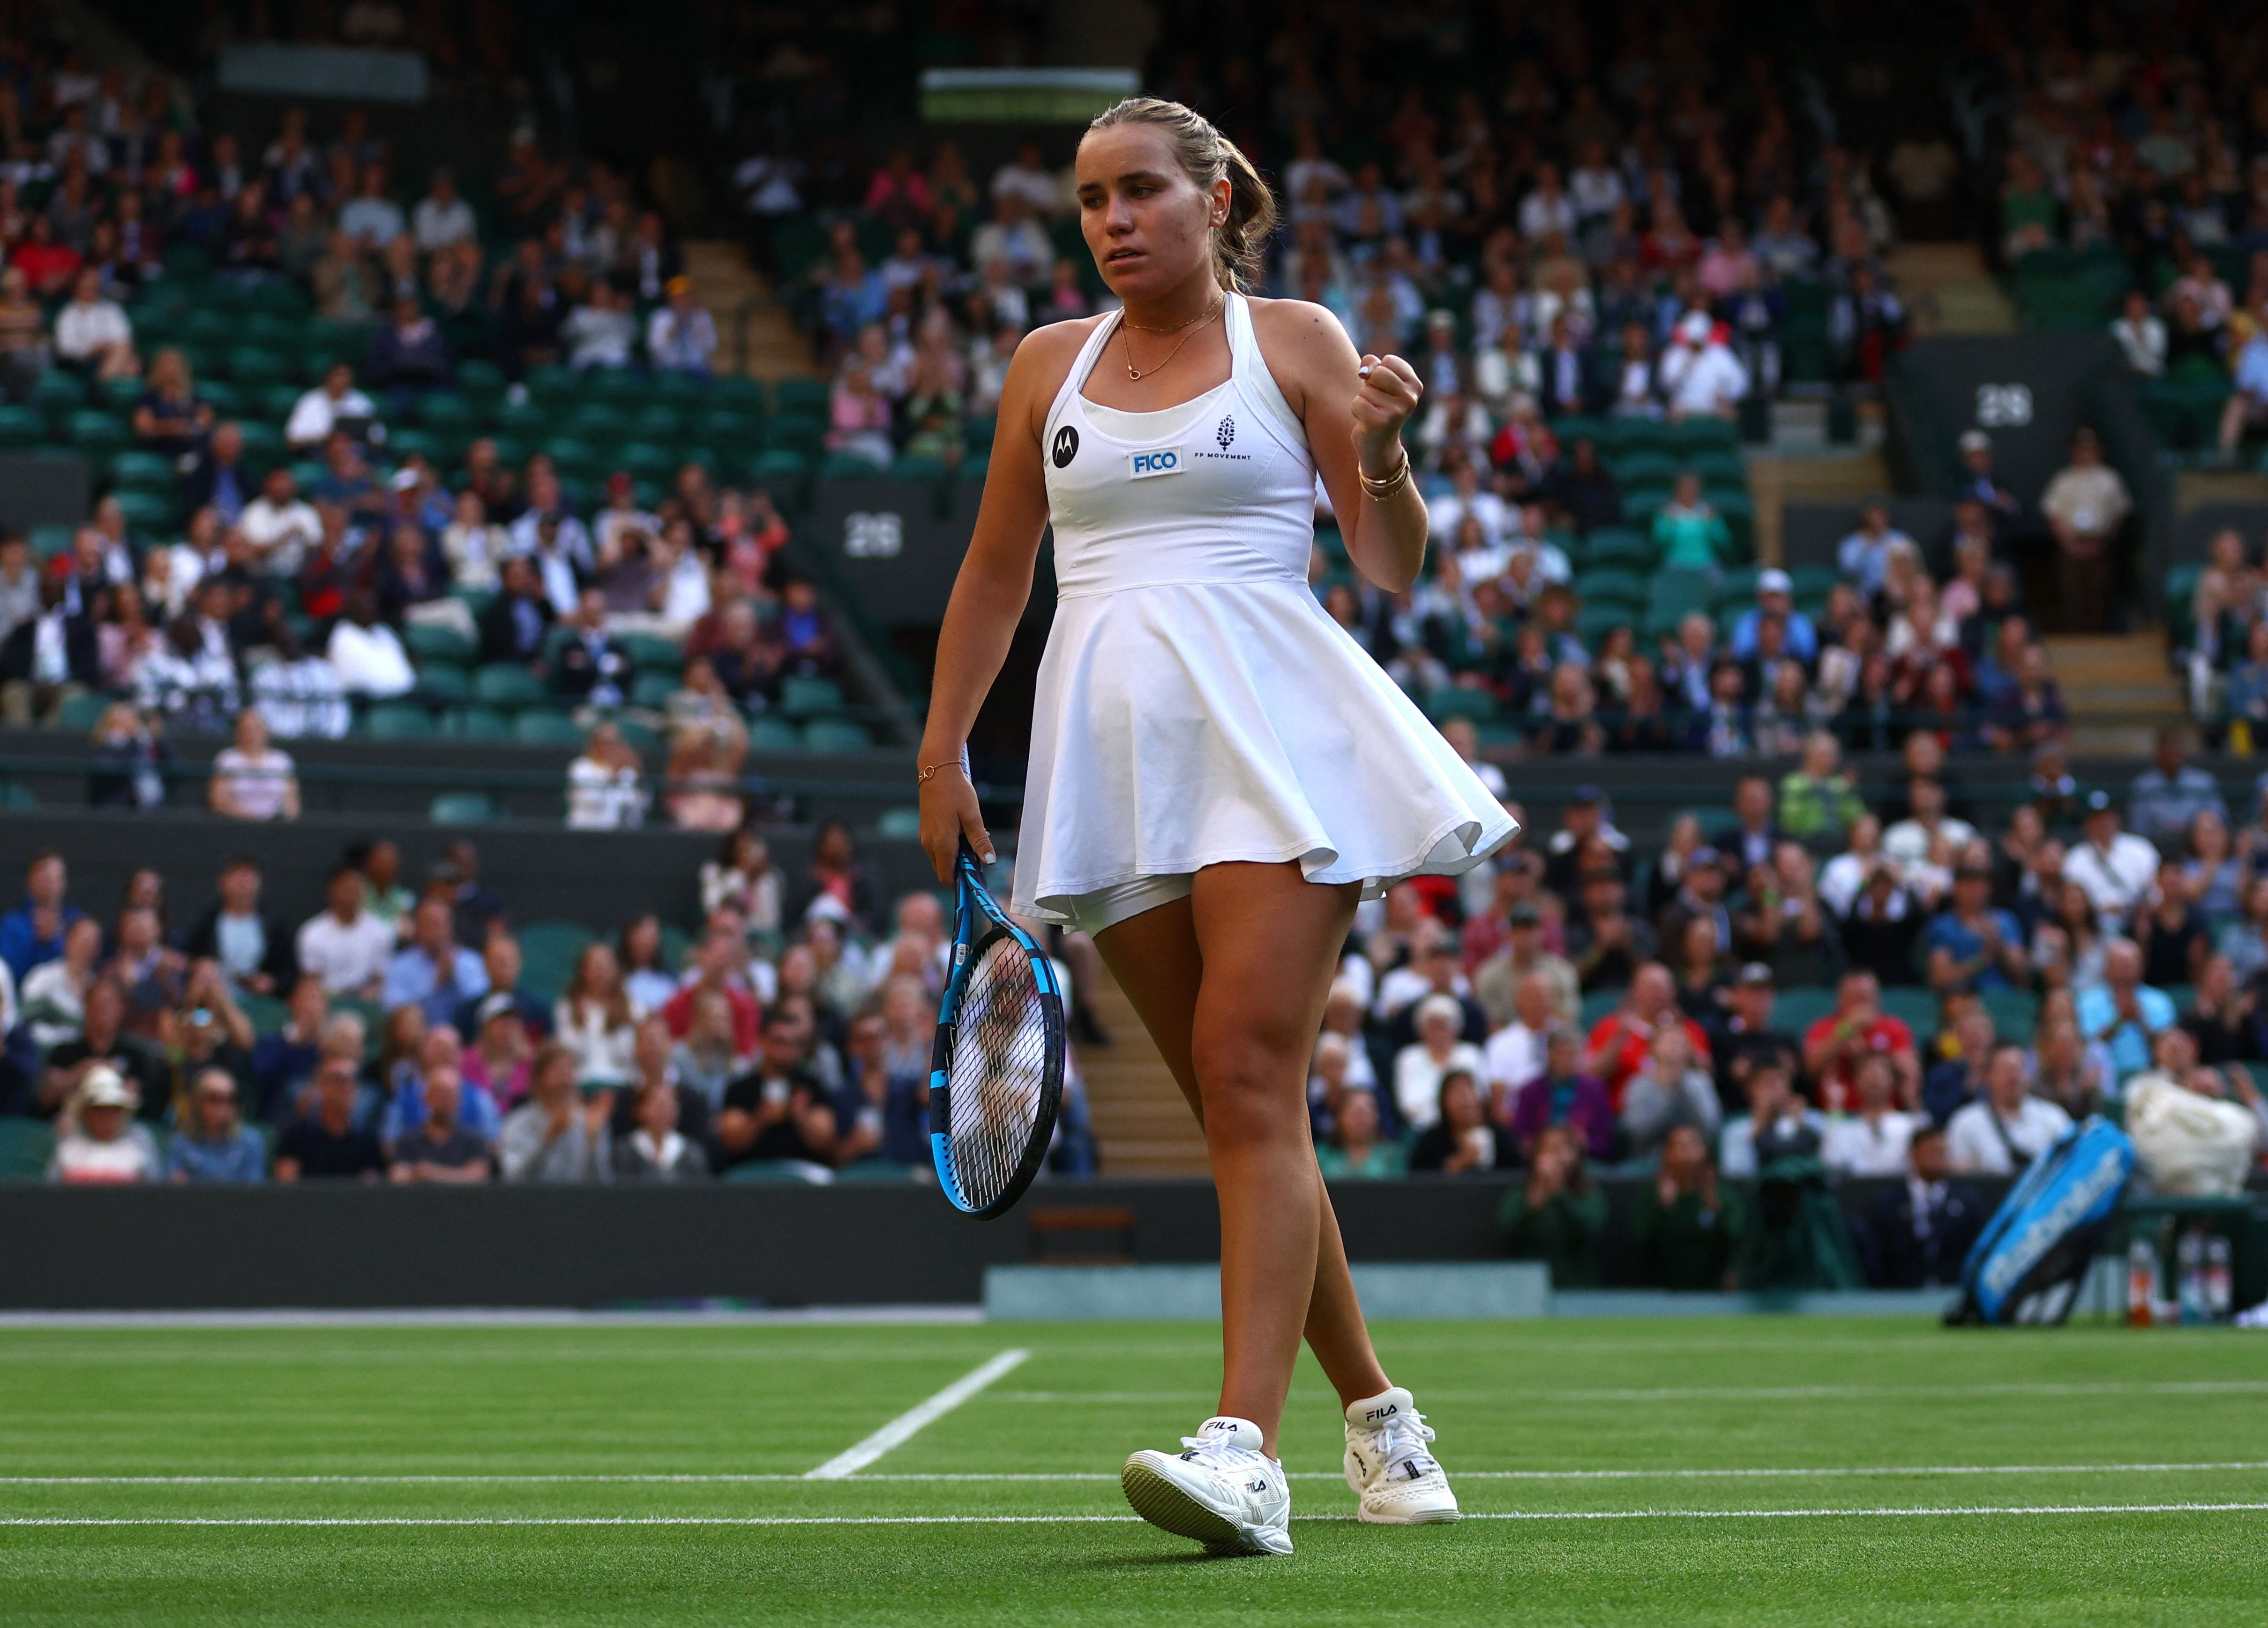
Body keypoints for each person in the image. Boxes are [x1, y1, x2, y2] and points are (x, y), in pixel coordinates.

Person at [916, 99, 1515, 1550]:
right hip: (1109, 753)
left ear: (1216, 195)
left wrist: (1379, 459)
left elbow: (1383, 564)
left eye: (1139, 193)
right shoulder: (1043, 366)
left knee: (1246, 1071)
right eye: (1089, 202)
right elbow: (999, 573)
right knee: (1236, 1109)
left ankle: (1246, 1451)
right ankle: (1379, 1412)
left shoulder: (1294, 338)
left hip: (1274, 736)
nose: (1113, 221)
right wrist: (940, 746)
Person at [1852, 1124, 1983, 1289]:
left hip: (1952, 1289)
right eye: (1932, 1152)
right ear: (1913, 1156)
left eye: (1942, 1152)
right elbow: (1876, 1255)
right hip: (1901, 1295)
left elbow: (1977, 1250)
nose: (1938, 1158)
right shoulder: (1887, 1202)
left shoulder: (1967, 1201)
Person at [1630, 1123, 1743, 1290]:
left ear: (1706, 1152)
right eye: (1680, 1146)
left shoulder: (1722, 1196)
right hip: (1661, 1294)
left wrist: (1715, 1209)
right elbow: (1639, 1243)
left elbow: (1737, 1241)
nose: (1687, 1152)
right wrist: (1663, 1208)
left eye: (1693, 1145)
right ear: (1667, 1154)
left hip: (1712, 1295)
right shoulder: (1652, 1197)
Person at [2038, 429, 2129, 632]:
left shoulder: (2110, 479)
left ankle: (2099, 636)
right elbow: (2053, 515)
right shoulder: (2063, 480)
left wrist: (2104, 541)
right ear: (2075, 452)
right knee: (2073, 595)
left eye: (2090, 449)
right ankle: (2076, 637)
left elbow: (2120, 514)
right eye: (2082, 450)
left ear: (2098, 451)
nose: (2086, 454)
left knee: (2100, 593)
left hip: (2100, 544)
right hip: (2071, 545)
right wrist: (2069, 544)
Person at [1495, 1123, 1605, 1286]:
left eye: (1562, 1148)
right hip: (1529, 1288)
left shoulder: (1587, 1193)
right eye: (1549, 1149)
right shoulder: (1521, 1194)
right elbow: (1506, 1231)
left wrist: (1560, 1194)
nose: (1556, 1156)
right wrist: (1530, 1208)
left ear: (1575, 1155)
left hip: (1578, 1290)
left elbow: (1590, 1229)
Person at [1945, 1041, 2074, 1175]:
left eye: (2020, 1068)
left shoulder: (2054, 1117)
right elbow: (1958, 1175)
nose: (2014, 1077)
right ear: (1988, 1077)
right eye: (2005, 1069)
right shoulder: (1965, 1122)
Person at [499, 1042, 612, 1182]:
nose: (566, 1080)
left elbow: (603, 1185)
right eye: (558, 1071)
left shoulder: (589, 1122)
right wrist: (548, 1140)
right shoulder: (517, 1123)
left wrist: (593, 1142)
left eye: (570, 1071)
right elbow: (514, 1178)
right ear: (539, 1078)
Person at [273, 1055, 386, 1181]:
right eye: (339, 1081)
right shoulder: (297, 1136)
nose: (347, 1088)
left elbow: (372, 1191)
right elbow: (285, 1189)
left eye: (353, 1081)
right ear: (321, 1085)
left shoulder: (367, 1139)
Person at [2063, 789, 2161, 930]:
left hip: (2138, 921)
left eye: (2107, 817)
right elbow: (2072, 904)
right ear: (2086, 823)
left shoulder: (2141, 849)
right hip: (2092, 926)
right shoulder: (2074, 858)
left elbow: (2156, 892)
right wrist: (2101, 910)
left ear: (2116, 819)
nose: (2103, 824)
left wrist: (2135, 910)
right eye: (2096, 819)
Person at [295, 863, 394, 999]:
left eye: (358, 885)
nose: (353, 890)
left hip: (365, 1002)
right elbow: (311, 980)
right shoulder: (312, 932)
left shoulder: (380, 931)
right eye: (347, 885)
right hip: (326, 1001)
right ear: (332, 889)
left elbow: (379, 978)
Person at [47, 1065, 160, 1183]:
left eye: (114, 1108)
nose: (107, 1115)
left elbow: (155, 1193)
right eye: (99, 1109)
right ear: (86, 1112)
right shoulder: (69, 1146)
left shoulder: (140, 1144)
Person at [1822, 1051, 1922, 1178]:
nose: (1874, 1078)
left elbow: (1925, 1156)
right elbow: (1832, 1161)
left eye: (1880, 1072)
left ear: (1893, 1080)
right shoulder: (1845, 1126)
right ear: (1856, 1081)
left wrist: (1912, 1100)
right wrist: (1835, 1108)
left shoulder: (1910, 1123)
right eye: (1868, 1072)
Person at [388, 1068, 492, 1184]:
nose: (445, 1101)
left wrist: (428, 1172)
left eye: (451, 1095)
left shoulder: (473, 1139)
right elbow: (398, 1176)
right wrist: (460, 1174)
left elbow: (478, 1176)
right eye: (440, 1094)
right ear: (426, 1098)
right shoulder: (408, 1140)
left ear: (459, 1100)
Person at [165, 1066, 267, 1182]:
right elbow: (175, 1191)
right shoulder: (181, 1143)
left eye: (231, 1099)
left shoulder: (251, 1142)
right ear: (198, 1101)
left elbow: (256, 1192)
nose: (224, 1106)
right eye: (215, 1099)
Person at [1405, 1068, 1505, 1174]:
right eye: (1457, 1093)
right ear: (1443, 1103)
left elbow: (1516, 1177)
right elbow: (1419, 1181)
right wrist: (1459, 1163)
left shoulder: (1501, 1138)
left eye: (1470, 1091)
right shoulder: (1431, 1143)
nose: (1466, 1099)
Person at [207, 707, 299, 822]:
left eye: (256, 729)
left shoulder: (281, 761)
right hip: (236, 826)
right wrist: (251, 818)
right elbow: (219, 801)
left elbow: (292, 805)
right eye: (246, 730)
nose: (252, 735)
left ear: (266, 731)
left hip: (275, 829)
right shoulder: (227, 759)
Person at [1313, 1087, 1402, 1178]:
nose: (1362, 1120)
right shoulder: (1322, 1155)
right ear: (1339, 1117)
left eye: (1368, 1112)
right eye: (1356, 1113)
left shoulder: (1391, 1155)